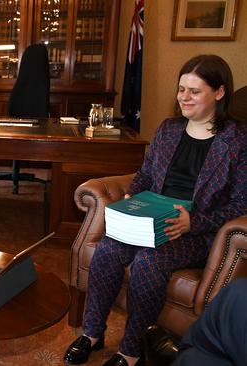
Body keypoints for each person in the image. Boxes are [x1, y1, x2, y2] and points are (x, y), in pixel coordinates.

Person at [64, 54, 247, 366]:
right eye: (181, 89)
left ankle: (131, 351)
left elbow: (241, 204)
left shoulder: (238, 140)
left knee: (149, 262)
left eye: (194, 91)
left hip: (195, 232)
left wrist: (195, 222)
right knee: (107, 250)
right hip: (150, 219)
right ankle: (92, 334)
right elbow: (146, 177)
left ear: (219, 93)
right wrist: (132, 205)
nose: (184, 97)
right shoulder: (168, 129)